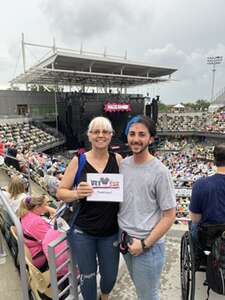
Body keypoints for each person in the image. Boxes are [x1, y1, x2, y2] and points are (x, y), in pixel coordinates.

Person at [57, 116, 122, 300]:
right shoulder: (79, 161)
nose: (100, 135)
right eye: (96, 131)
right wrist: (77, 193)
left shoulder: (118, 160)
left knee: (109, 277)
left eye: (104, 132)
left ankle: (105, 296)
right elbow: (61, 192)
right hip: (82, 232)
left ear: (111, 135)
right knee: (88, 276)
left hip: (110, 231)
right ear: (89, 135)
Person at [118, 115, 176, 300]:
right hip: (126, 241)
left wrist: (144, 244)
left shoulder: (160, 172)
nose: (135, 139)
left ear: (151, 139)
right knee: (141, 291)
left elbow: (169, 215)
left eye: (142, 134)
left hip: (147, 246)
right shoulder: (123, 165)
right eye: (132, 133)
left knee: (148, 296)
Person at [189, 143, 225, 241]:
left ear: (214, 161)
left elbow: (195, 218)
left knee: (193, 225)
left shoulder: (200, 184)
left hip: (208, 237)